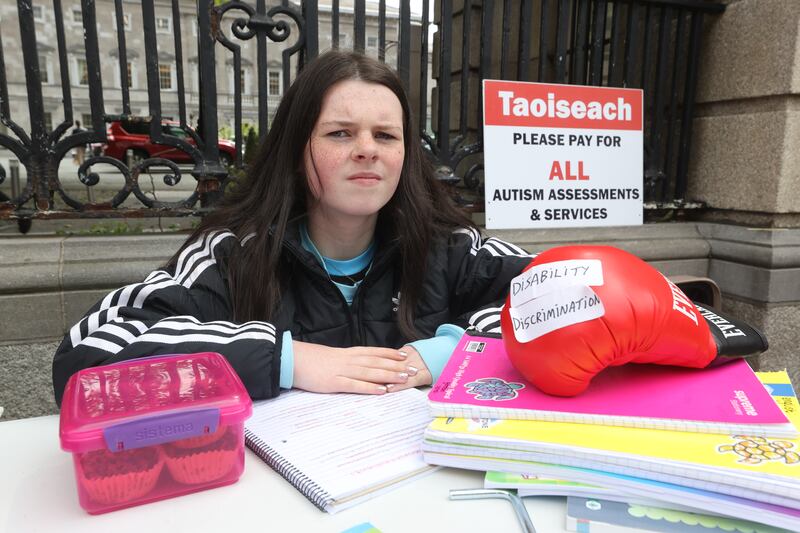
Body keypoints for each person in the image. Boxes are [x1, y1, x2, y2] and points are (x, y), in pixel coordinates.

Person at [52, 51, 533, 404]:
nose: (367, 149)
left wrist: (449, 353)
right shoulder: (234, 254)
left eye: (386, 135)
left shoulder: (448, 247)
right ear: (296, 148)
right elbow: (87, 352)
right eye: (340, 133)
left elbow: (575, 296)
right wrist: (288, 360)